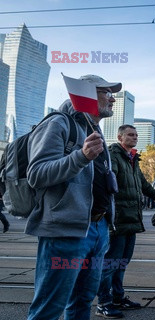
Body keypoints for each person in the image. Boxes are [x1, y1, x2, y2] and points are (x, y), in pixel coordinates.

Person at [26, 74, 121, 320]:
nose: (113, 98)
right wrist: (81, 156)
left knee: (82, 303)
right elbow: (36, 174)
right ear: (87, 92)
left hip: (97, 229)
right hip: (66, 232)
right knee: (49, 308)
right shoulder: (58, 123)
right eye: (106, 92)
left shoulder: (94, 129)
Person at [96, 125, 155, 318]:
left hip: (131, 218)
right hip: (118, 218)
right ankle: (103, 302)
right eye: (130, 135)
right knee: (111, 263)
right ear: (120, 137)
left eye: (136, 135)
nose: (134, 137)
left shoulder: (132, 158)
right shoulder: (113, 155)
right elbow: (110, 181)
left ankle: (118, 298)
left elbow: (142, 184)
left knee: (122, 262)